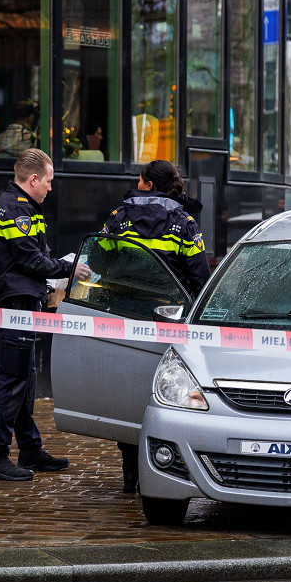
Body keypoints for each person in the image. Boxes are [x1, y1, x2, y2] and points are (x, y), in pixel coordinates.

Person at [0, 148, 90, 481]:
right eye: (49, 182)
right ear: (33, 179)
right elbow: (31, 260)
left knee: (25, 378)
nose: (50, 188)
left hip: (20, 299)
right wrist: (70, 269)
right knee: (13, 378)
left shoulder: (12, 205)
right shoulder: (18, 210)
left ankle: (29, 448)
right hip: (18, 302)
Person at [100, 159, 211, 492]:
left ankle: (129, 474)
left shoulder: (118, 217)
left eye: (140, 179)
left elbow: (97, 259)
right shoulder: (184, 223)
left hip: (123, 316)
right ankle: (164, 464)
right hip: (169, 320)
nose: (137, 182)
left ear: (148, 184)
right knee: (165, 391)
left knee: (127, 388)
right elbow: (200, 276)